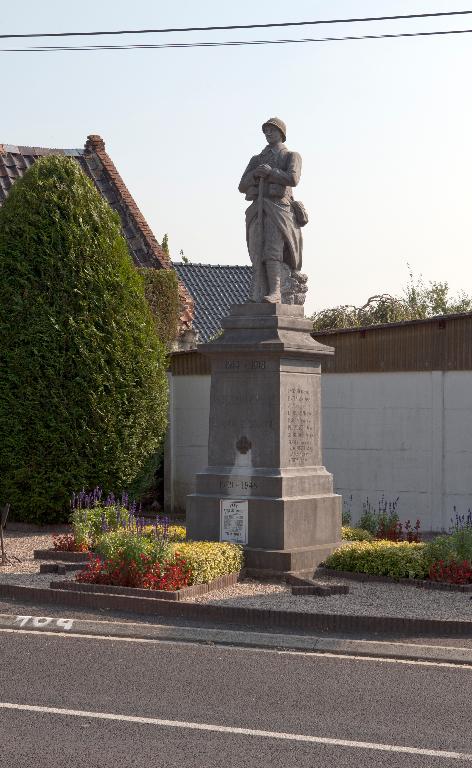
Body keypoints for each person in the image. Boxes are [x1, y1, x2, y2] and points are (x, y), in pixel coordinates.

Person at [238, 117, 304, 303]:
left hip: (279, 208)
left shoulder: (291, 156)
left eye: (272, 130)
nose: (268, 134)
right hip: (257, 208)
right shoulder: (257, 159)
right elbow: (242, 185)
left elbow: (293, 179)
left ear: (281, 133)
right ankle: (257, 292)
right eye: (266, 131)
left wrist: (271, 172)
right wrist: (254, 174)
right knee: (256, 250)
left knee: (272, 249)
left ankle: (275, 292)